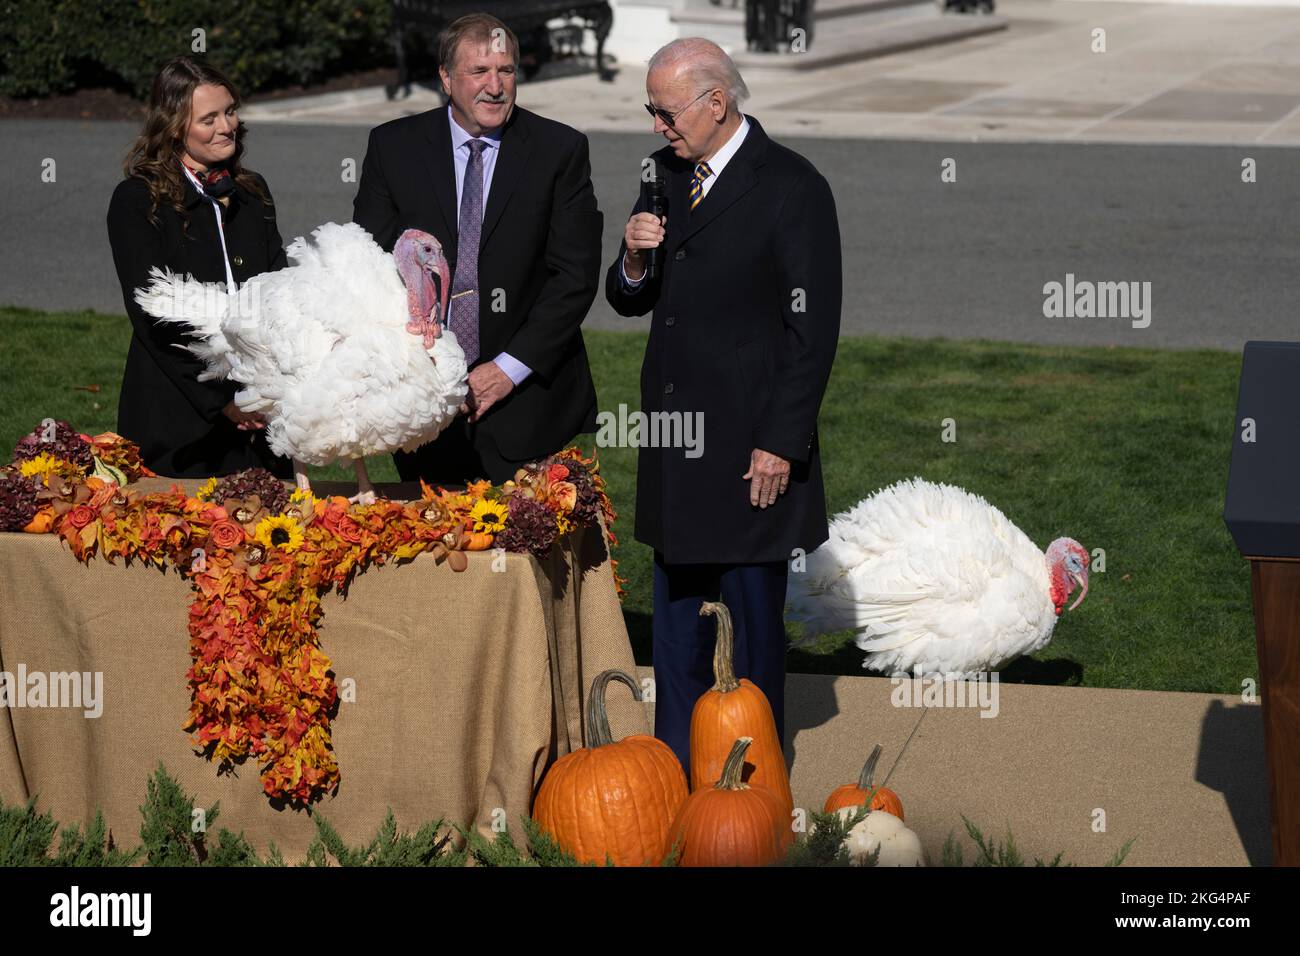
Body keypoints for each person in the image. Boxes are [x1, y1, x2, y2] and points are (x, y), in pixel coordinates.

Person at [605, 38, 841, 777]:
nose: (656, 126)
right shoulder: (665, 176)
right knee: (676, 634)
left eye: (665, 111)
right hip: (679, 446)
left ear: (717, 102)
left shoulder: (792, 186)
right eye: (651, 110)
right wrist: (634, 258)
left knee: (750, 636)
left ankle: (751, 783)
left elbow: (814, 331)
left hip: (749, 454)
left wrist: (781, 441)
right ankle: (676, 776)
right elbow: (630, 299)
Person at [353, 13, 603, 486]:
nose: (495, 86)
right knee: (429, 554)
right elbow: (368, 263)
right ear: (446, 78)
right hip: (422, 401)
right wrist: (414, 365)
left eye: (506, 71)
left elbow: (574, 275)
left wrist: (508, 370)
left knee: (528, 554)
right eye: (479, 72)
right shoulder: (393, 146)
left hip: (529, 403)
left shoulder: (559, 150)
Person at [107, 55, 293, 479]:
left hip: (262, 411)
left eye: (229, 112)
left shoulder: (252, 191)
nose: (226, 126)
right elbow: (154, 315)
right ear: (174, 127)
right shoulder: (138, 201)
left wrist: (271, 389)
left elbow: (278, 286)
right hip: (182, 416)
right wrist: (222, 400)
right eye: (208, 119)